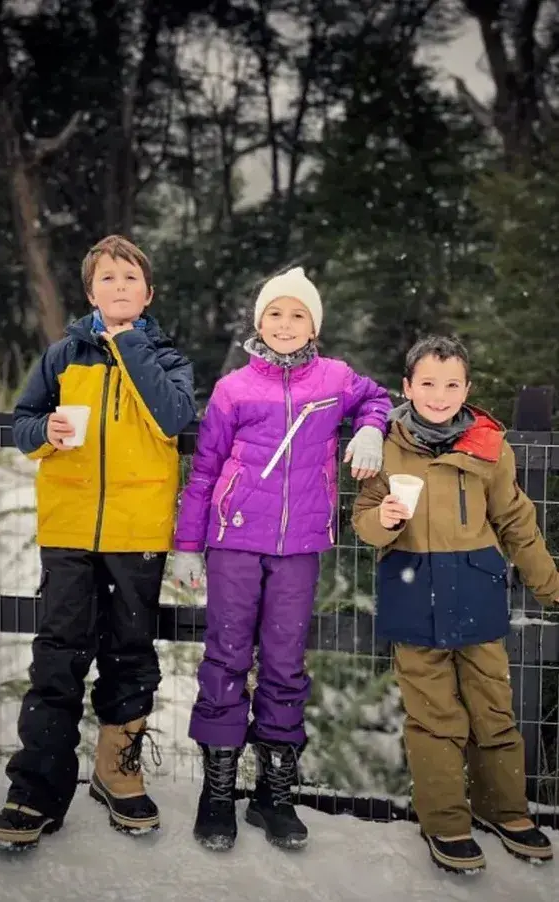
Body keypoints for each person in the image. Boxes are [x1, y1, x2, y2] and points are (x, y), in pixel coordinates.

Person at [0, 234, 196, 850]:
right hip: (70, 530)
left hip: (138, 532)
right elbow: (23, 424)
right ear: (90, 291)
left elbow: (172, 419)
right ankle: (35, 791)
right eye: (108, 279)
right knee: (58, 654)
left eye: (131, 279)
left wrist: (128, 344)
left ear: (148, 294)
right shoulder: (61, 355)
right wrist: (43, 430)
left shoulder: (166, 357)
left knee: (131, 653)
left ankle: (117, 774)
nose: (119, 287)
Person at [172, 266, 392, 852]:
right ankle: (218, 793)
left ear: (314, 325)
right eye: (275, 313)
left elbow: (377, 398)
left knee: (285, 664)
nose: (286, 324)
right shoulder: (234, 389)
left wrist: (370, 429)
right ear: (259, 322)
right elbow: (205, 470)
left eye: (298, 314)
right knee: (224, 657)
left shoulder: (335, 378)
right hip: (234, 542)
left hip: (300, 549)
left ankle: (275, 794)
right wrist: (188, 545)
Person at [352, 334, 558, 874]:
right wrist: (383, 521)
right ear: (407, 387)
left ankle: (506, 810)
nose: (438, 395)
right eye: (427, 384)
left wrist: (551, 586)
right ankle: (446, 821)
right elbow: (363, 518)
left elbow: (516, 521)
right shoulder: (385, 444)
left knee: (493, 709)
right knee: (434, 717)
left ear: (466, 389)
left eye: (450, 384)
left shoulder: (490, 445)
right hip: (410, 590)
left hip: (476, 591)